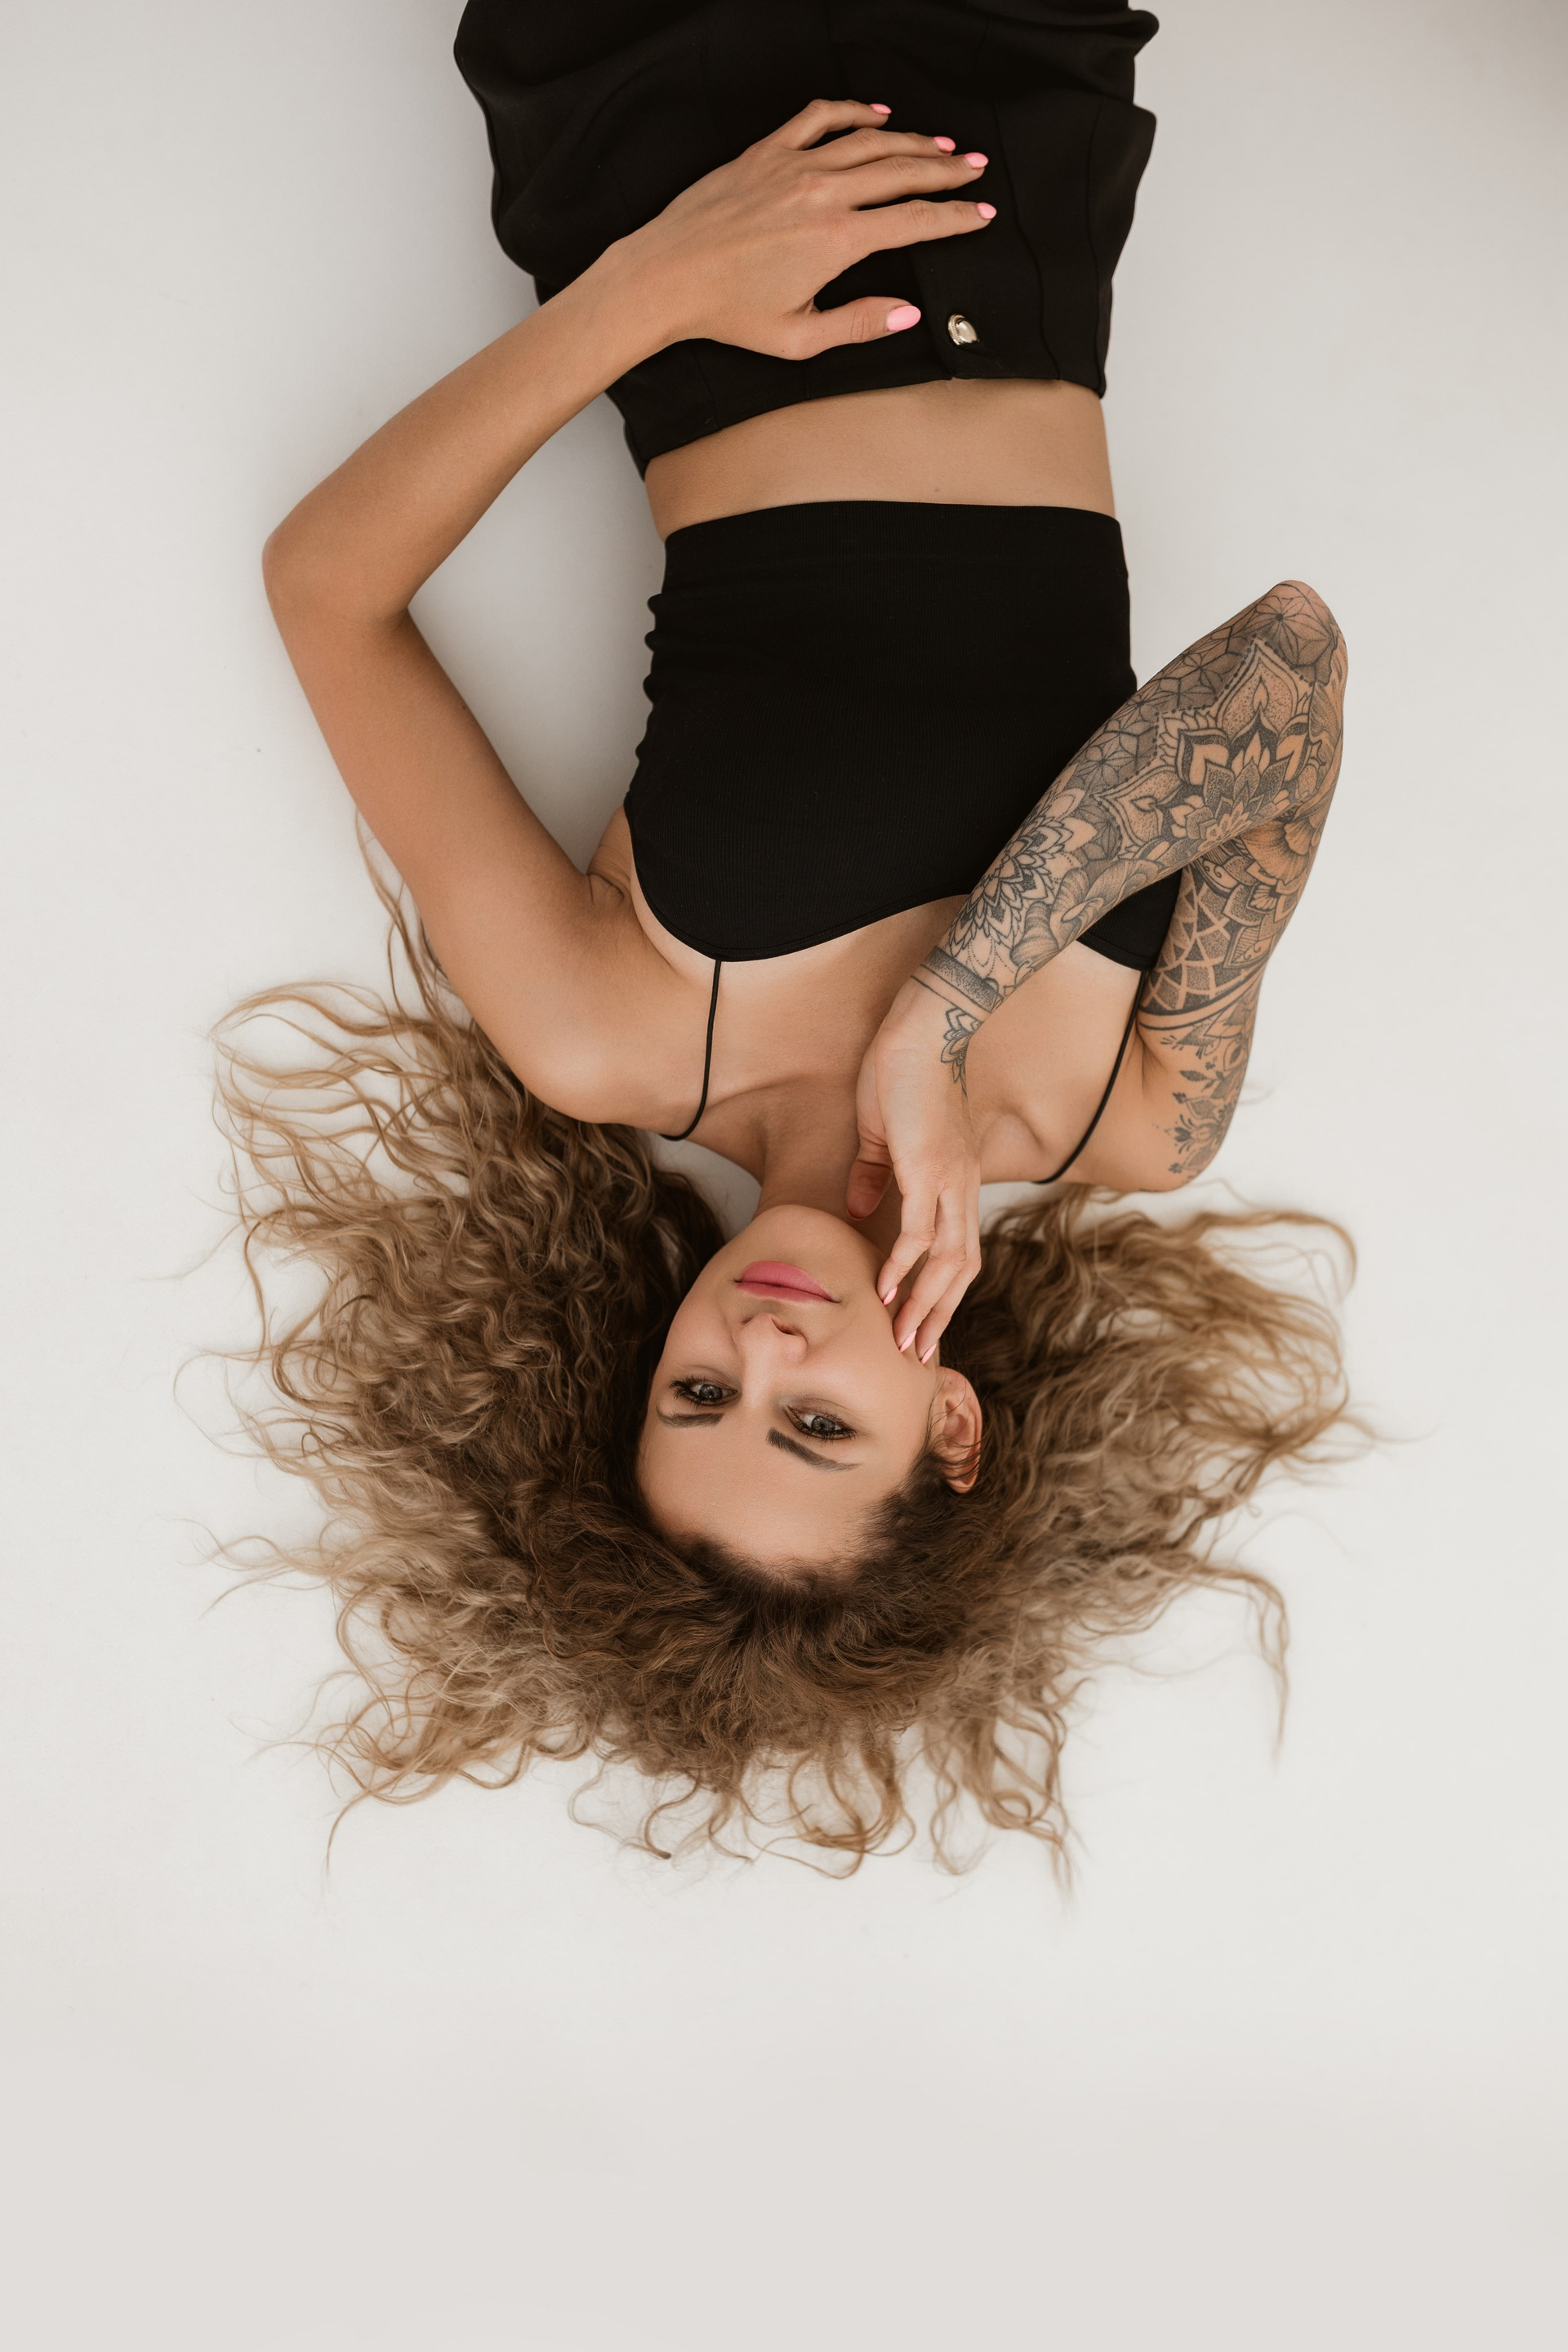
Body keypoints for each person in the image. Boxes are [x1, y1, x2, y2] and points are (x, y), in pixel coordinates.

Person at [222, 4, 1355, 1864]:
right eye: (815, 1425)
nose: (760, 1347)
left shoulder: (611, 1035)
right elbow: (1287, 670)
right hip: (1022, 111)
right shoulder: (1136, 1114)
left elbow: (325, 587)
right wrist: (942, 1013)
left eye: (697, 1396)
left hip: (662, 110)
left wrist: (652, 287)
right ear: (954, 1431)